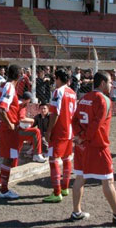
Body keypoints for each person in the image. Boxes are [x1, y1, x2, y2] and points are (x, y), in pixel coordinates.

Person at [71, 71, 116, 223]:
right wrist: (84, 137)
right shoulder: (104, 100)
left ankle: (76, 212)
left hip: (82, 147)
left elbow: (74, 120)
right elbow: (96, 125)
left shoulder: (83, 98)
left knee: (79, 178)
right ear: (102, 83)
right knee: (108, 180)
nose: (111, 84)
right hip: (98, 146)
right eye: (109, 82)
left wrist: (80, 136)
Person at [43, 68, 77, 203]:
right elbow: (74, 113)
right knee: (67, 159)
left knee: (53, 160)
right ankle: (65, 187)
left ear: (57, 78)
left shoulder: (58, 91)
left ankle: (57, 192)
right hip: (69, 131)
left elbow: (55, 112)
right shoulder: (73, 93)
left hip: (59, 132)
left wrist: (49, 130)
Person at [0, 64, 22, 199]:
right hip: (8, 129)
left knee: (9, 157)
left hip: (6, 128)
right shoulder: (10, 87)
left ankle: (1, 182)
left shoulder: (4, 85)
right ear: (18, 76)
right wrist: (10, 124)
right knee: (9, 158)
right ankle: (4, 190)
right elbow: (0, 108)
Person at [17, 92, 46, 163]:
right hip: (18, 130)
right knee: (36, 132)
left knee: (15, 152)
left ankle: (33, 152)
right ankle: (36, 154)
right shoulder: (22, 105)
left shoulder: (19, 104)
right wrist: (31, 120)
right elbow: (21, 119)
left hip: (16, 130)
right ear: (28, 100)